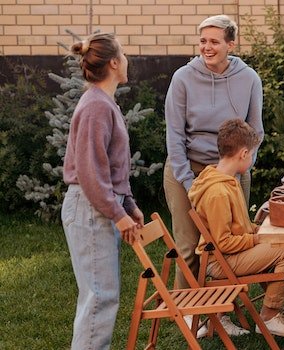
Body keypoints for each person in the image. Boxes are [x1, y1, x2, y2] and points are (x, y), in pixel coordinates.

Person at [164, 14, 264, 291]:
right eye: (203, 41)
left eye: (214, 42)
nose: (207, 47)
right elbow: (174, 134)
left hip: (232, 170)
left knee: (234, 241)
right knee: (189, 247)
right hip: (188, 168)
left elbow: (255, 131)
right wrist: (190, 184)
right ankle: (187, 307)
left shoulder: (249, 78)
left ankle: (224, 307)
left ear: (231, 45)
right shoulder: (183, 78)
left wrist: (241, 167)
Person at [188, 119, 284, 337]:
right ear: (243, 153)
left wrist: (260, 230)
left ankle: (278, 308)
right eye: (252, 154)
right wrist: (258, 239)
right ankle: (270, 316)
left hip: (233, 253)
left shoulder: (228, 180)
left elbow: (240, 226)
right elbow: (223, 243)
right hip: (220, 261)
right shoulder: (217, 193)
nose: (252, 158)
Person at [61, 33, 144, 349]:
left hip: (98, 205)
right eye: (123, 55)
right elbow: (91, 173)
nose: (126, 60)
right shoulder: (96, 106)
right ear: (113, 63)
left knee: (101, 296)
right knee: (99, 297)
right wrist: (117, 214)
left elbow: (111, 165)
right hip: (90, 207)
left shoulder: (102, 102)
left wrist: (128, 204)